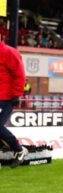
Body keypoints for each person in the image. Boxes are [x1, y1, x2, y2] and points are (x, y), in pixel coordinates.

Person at [0, 38, 27, 168]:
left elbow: (20, 74)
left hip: (5, 98)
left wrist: (17, 94)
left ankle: (19, 150)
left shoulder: (10, 52)